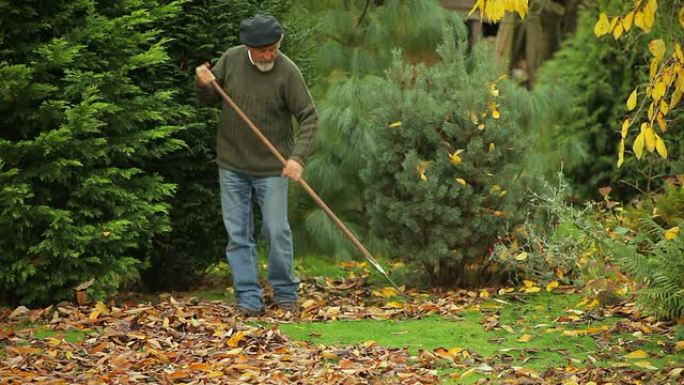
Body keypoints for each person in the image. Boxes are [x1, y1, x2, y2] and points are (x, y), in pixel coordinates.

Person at [195, 14, 318, 317]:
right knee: (238, 235)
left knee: (276, 231)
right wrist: (203, 83)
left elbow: (309, 117)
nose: (268, 55)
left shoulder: (287, 72)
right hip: (232, 164)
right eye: (262, 50)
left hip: (272, 169)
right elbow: (210, 98)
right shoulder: (231, 60)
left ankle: (286, 294)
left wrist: (297, 157)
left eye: (273, 49)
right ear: (248, 47)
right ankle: (248, 298)